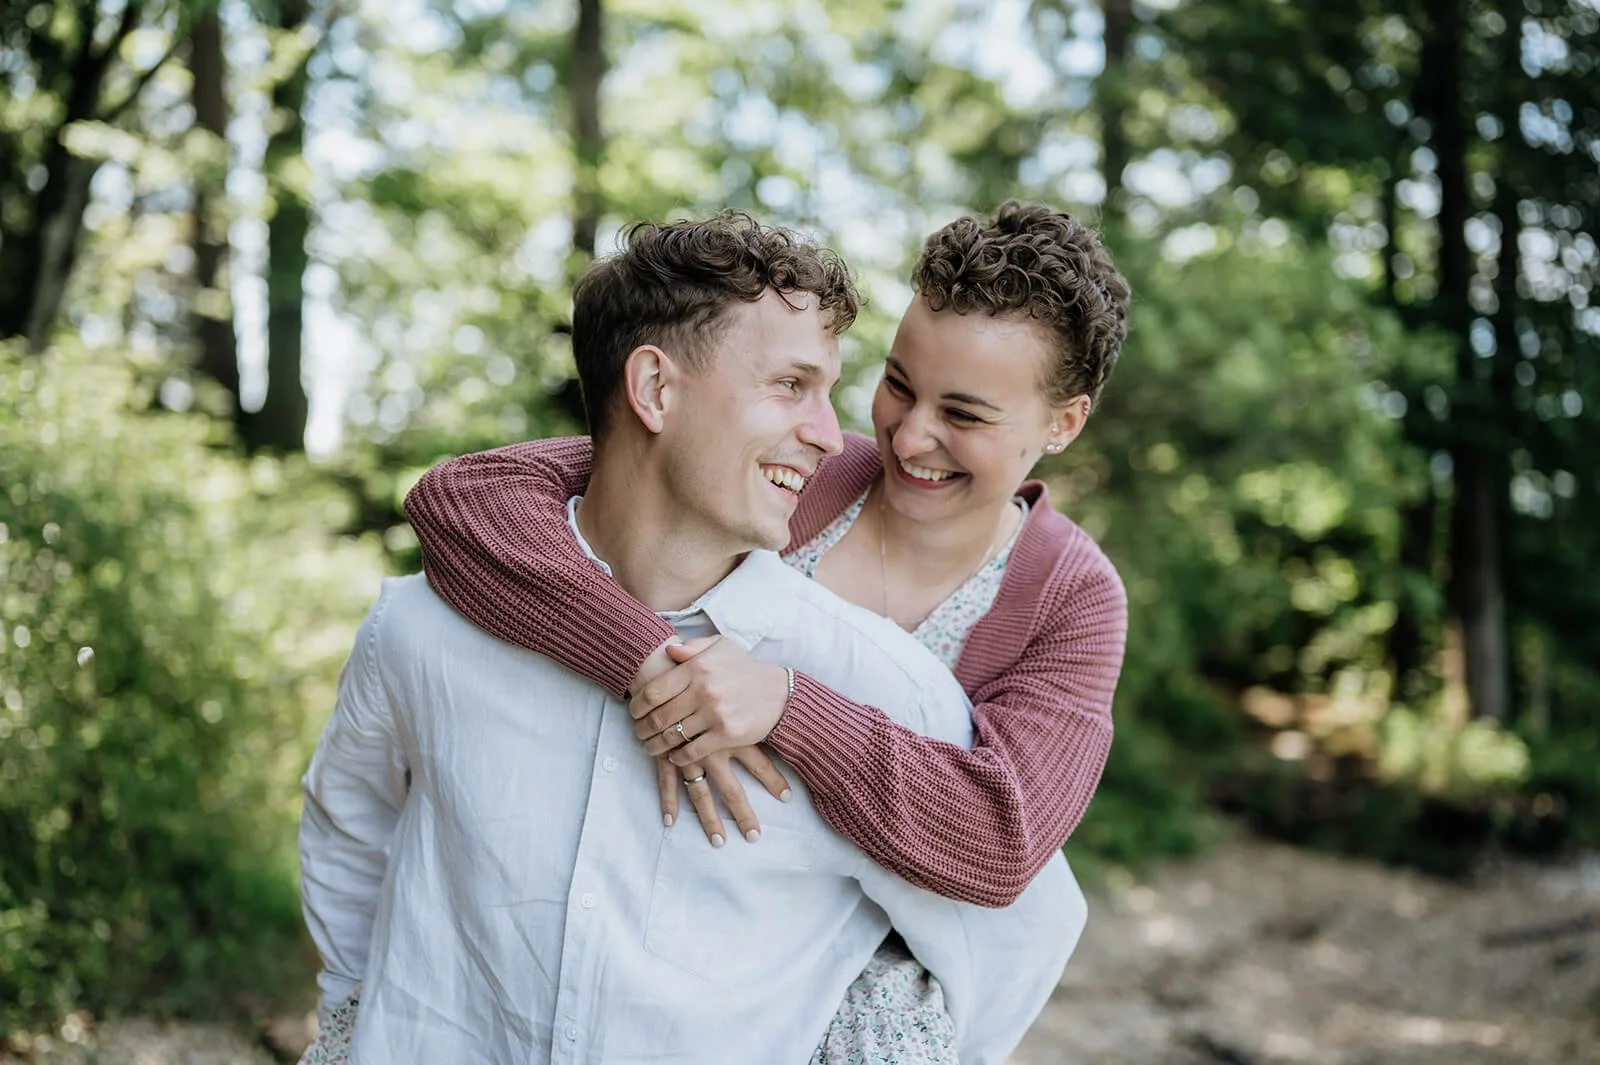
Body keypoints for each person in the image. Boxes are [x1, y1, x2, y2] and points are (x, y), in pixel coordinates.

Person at [298, 211, 1085, 1065]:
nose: (852, 436)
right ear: (656, 390)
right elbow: (351, 830)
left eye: (963, 411)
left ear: (1061, 423)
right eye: (792, 385)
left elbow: (1014, 919)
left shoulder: (899, 685)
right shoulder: (423, 630)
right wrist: (351, 1022)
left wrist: (877, 1042)